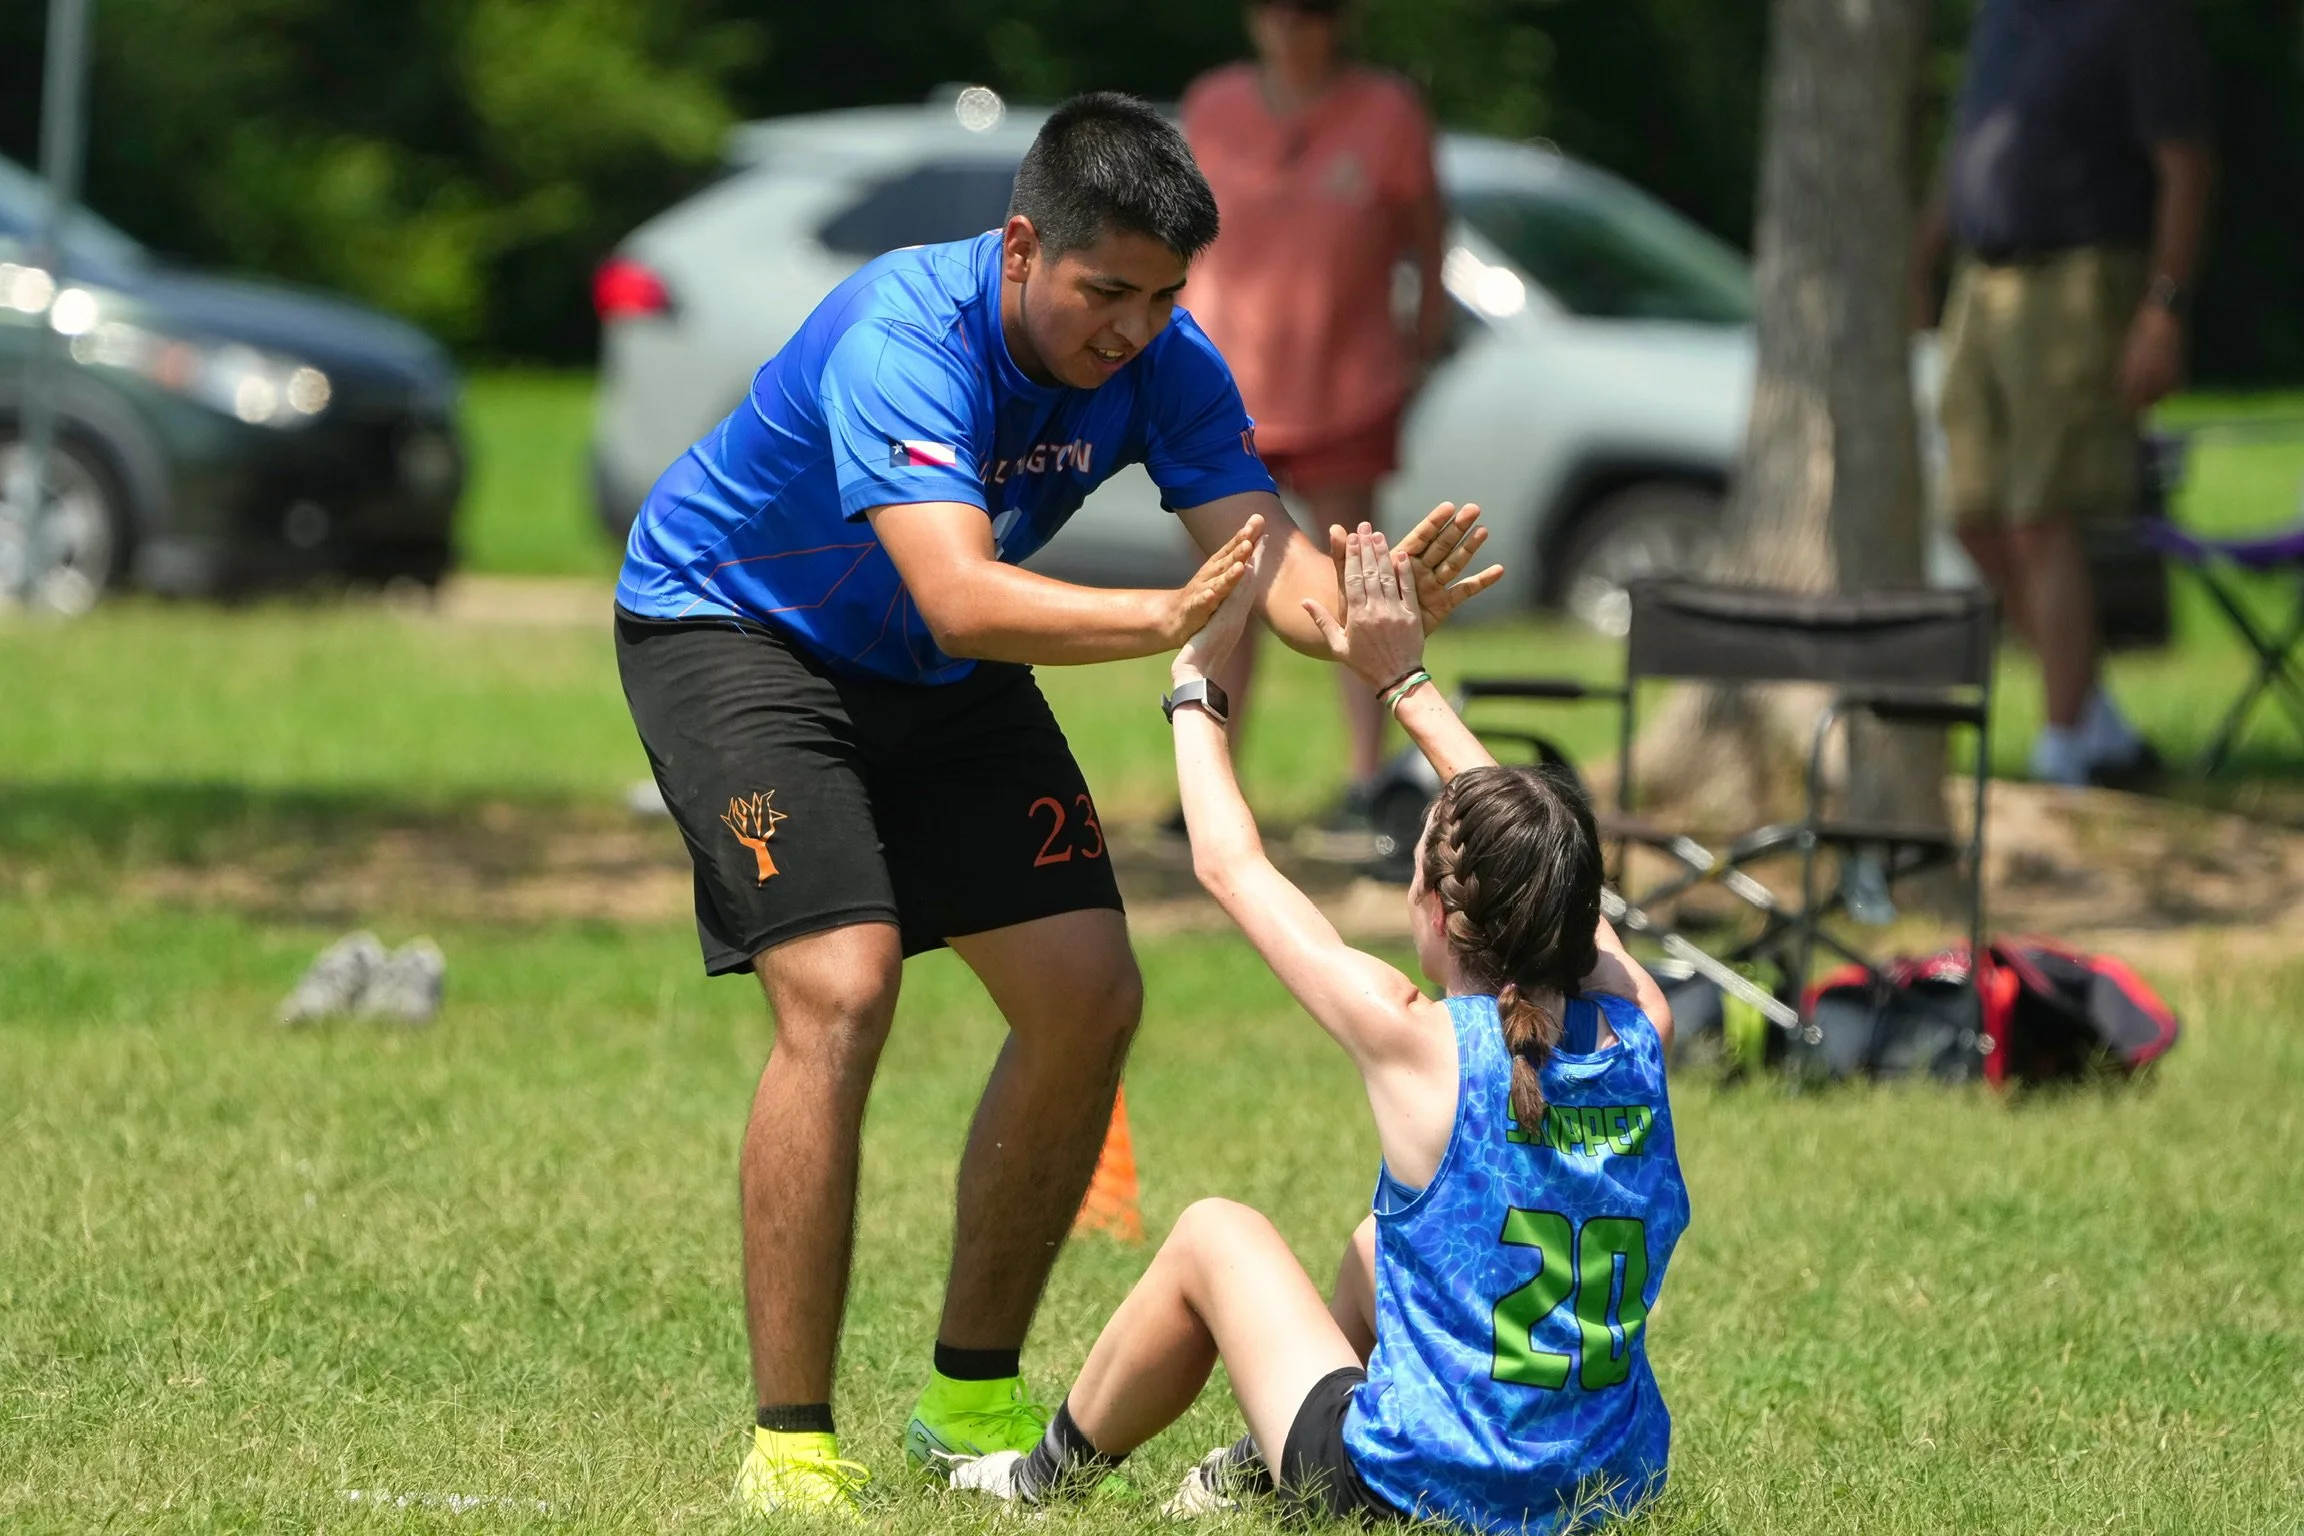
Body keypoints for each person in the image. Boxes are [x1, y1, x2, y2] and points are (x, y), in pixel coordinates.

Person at [610, 93, 1501, 1518]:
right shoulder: (901, 332)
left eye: (1162, 298)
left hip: (930, 662)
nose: (1132, 332)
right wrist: (1164, 618)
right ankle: (789, 1446)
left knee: (1088, 992)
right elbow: (960, 593)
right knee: (840, 991)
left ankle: (967, 1392)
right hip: (738, 631)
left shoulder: (1168, 361)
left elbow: (1265, 564)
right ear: (1023, 245)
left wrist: (1371, 626)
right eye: (1106, 293)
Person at [945, 528, 1687, 1533]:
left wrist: (1196, 683)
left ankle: (1040, 1485)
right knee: (1379, 1249)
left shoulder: (1417, 1041)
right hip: (1597, 1500)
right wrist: (1406, 683)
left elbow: (1231, 867)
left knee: (1215, 1234)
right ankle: (1248, 1472)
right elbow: (1558, 874)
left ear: (1431, 905)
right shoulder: (1643, 1027)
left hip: (1407, 1499)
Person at [1916, 0, 2214, 787]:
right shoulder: (2000, 15)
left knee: (2039, 515)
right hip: (1982, 282)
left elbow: (2185, 165)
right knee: (1975, 516)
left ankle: (2062, 746)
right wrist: (1924, 253)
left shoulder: (2136, 17)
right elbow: (1969, 143)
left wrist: (2164, 310)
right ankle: (2095, 721)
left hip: (2078, 277)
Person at [1181, 0, 1450, 835]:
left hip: (1346, 381)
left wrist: (1423, 334)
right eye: (1272, 10)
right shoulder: (1213, 104)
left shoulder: (1387, 111)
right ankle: (1209, 785)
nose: (1288, 26)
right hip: (1220, 384)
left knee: (1355, 582)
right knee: (1223, 590)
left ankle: (1369, 786)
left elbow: (1428, 236)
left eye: (1308, 11)